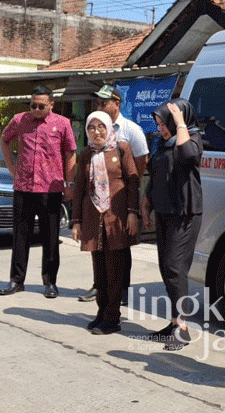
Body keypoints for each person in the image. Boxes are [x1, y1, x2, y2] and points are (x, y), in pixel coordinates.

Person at [0, 85, 77, 298]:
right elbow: (4, 140)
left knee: (50, 237)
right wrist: (11, 168)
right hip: (23, 186)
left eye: (41, 106)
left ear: (51, 104)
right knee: (20, 236)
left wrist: (69, 184)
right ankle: (16, 280)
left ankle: (50, 282)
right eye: (33, 105)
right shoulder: (19, 120)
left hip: (50, 188)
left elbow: (71, 153)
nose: (36, 109)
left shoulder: (62, 123)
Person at [141, 98, 203, 351]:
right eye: (158, 124)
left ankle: (183, 327)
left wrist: (179, 124)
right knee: (166, 268)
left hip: (185, 213)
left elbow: (188, 156)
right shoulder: (163, 144)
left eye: (163, 124)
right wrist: (146, 203)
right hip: (165, 212)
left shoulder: (192, 139)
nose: (160, 129)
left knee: (176, 268)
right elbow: (155, 174)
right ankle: (174, 322)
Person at [71, 111, 140, 334]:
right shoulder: (86, 154)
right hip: (93, 219)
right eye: (91, 127)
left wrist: (132, 213)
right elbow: (80, 188)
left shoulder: (121, 149)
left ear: (109, 128)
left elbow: (132, 181)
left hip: (116, 218)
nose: (96, 131)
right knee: (99, 271)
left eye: (101, 126)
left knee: (115, 270)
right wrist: (77, 222)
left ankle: (112, 318)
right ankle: (101, 313)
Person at [79, 84, 148, 303]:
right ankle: (100, 291)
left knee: (119, 250)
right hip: (97, 207)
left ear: (116, 104)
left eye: (103, 102)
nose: (99, 106)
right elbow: (82, 181)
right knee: (100, 251)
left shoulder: (130, 131)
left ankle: (120, 291)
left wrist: (131, 207)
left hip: (119, 201)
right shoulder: (89, 148)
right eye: (97, 103)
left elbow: (137, 169)